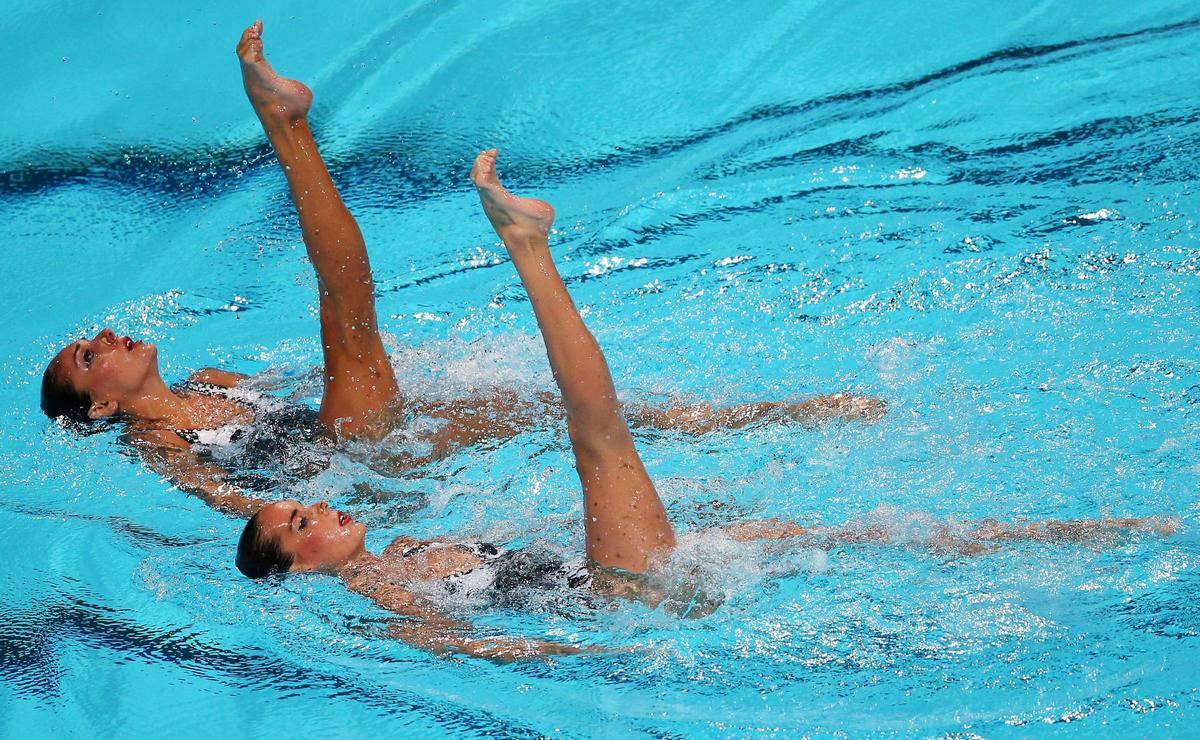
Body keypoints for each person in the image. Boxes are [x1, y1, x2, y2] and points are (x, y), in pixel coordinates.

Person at [235, 147, 1175, 661]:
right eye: (297, 526)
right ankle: (527, 249)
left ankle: (1096, 534)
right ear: (297, 571)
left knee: (856, 536)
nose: (315, 509)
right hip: (622, 597)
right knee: (597, 437)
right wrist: (592, 656)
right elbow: (480, 653)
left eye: (297, 505)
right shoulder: (377, 594)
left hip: (617, 577)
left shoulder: (400, 553)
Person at [38, 21, 885, 517]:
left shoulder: (215, 379)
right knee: (346, 308)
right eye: (88, 356)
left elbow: (291, 392)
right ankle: (285, 125)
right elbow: (244, 509)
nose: (106, 335)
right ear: (100, 404)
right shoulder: (157, 443)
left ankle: (766, 419)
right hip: (348, 457)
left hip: (376, 435)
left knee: (562, 415)